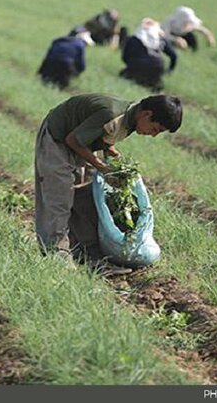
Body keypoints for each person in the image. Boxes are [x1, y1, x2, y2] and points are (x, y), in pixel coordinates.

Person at [34, 93, 182, 275]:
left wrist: (112, 154)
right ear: (146, 114)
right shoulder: (112, 115)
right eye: (155, 129)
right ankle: (56, 257)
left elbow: (99, 135)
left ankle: (89, 256)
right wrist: (102, 168)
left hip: (78, 142)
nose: (152, 135)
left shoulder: (130, 121)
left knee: (86, 198)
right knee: (60, 198)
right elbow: (72, 140)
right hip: (57, 138)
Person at [119, 18, 178, 91]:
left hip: (138, 66)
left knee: (123, 75)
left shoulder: (134, 38)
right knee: (154, 84)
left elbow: (124, 57)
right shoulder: (159, 39)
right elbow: (174, 55)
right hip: (157, 68)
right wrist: (170, 70)